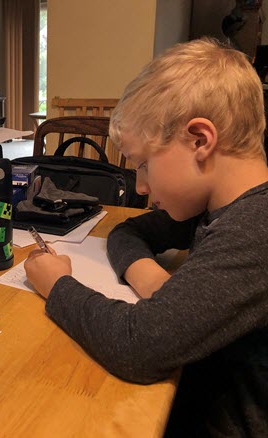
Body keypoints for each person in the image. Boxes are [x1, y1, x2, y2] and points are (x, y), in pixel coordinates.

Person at [25, 37, 268, 437]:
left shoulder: (254, 229)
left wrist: (57, 285)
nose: (140, 187)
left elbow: (138, 347)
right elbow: (128, 231)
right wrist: (151, 278)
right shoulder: (215, 209)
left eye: (143, 165)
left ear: (200, 141)